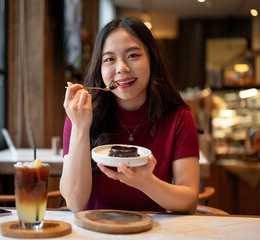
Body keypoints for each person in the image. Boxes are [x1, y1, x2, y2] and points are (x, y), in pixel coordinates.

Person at [61, 17, 199, 213]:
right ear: (99, 69)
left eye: (133, 55)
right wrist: (81, 128)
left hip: (155, 232)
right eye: (109, 59)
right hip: (95, 231)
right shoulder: (80, 115)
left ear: (152, 58)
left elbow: (189, 200)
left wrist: (146, 182)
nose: (121, 68)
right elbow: (74, 203)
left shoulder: (179, 118)